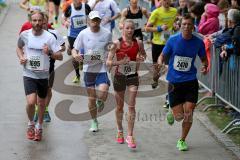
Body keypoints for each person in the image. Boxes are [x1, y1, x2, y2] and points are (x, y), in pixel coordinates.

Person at [157, 14, 208, 151]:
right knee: (179, 117)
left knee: (189, 112)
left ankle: (182, 140)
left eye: (189, 24)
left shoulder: (198, 42)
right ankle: (171, 110)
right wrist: (160, 64)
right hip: (174, 82)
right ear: (180, 26)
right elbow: (162, 55)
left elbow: (204, 58)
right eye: (184, 24)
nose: (186, 27)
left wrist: (204, 66)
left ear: (193, 26)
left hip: (190, 81)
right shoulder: (173, 40)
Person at [16, 11, 63, 141]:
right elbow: (18, 47)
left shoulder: (49, 37)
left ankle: (39, 127)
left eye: (39, 21)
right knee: (31, 103)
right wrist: (21, 57)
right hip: (29, 73)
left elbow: (60, 56)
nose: (37, 23)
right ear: (31, 21)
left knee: (41, 103)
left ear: (43, 22)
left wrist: (50, 53)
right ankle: (31, 123)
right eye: (34, 20)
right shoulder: (25, 35)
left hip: (43, 76)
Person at [107, 19, 146, 149]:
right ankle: (119, 131)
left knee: (131, 104)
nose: (130, 31)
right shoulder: (116, 44)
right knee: (119, 107)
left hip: (133, 76)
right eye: (127, 28)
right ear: (122, 28)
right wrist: (120, 62)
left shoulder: (138, 42)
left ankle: (130, 135)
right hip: (119, 76)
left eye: (132, 28)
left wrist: (141, 57)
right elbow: (108, 62)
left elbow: (143, 55)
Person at [72, 11, 112, 132]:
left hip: (101, 68)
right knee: (91, 99)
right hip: (88, 69)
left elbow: (111, 48)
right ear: (88, 21)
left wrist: (109, 58)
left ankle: (101, 100)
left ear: (100, 21)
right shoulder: (83, 34)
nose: (95, 22)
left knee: (102, 94)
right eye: (92, 20)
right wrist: (75, 56)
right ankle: (94, 121)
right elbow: (75, 49)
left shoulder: (107, 33)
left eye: (97, 20)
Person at [33, 12, 66, 122]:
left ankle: (45, 109)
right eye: (40, 22)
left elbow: (63, 47)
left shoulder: (54, 34)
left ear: (47, 22)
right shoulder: (32, 34)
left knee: (48, 90)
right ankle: (38, 109)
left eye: (44, 22)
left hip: (50, 66)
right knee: (36, 91)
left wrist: (55, 50)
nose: (42, 25)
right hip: (36, 67)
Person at [145, 0, 177, 89]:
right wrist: (160, 28)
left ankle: (172, 84)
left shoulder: (174, 11)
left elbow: (174, 21)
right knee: (157, 67)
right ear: (161, 1)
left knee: (170, 64)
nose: (167, 1)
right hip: (157, 43)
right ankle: (155, 79)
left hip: (169, 43)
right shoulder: (156, 12)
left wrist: (175, 25)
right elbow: (147, 28)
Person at [63, 0, 91, 84]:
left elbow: (91, 17)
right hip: (72, 35)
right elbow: (64, 18)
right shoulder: (69, 8)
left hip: (84, 34)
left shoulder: (86, 7)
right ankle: (77, 75)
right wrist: (66, 22)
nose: (77, 1)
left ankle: (81, 61)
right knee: (74, 55)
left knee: (84, 53)